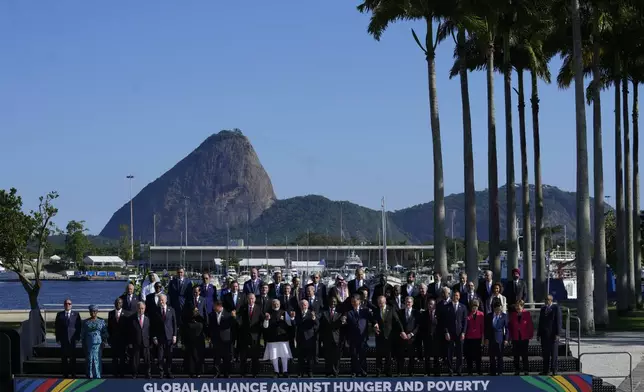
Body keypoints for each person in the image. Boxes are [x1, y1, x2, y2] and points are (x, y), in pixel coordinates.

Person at [263, 299, 293, 377]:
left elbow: (290, 324)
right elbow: (265, 326)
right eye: (274, 303)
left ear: (280, 304)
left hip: (283, 337)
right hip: (272, 338)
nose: (276, 305)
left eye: (277, 304)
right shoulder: (268, 313)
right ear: (272, 304)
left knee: (284, 355)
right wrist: (266, 319)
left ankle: (285, 371)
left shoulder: (284, 312)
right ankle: (276, 372)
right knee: (274, 355)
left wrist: (287, 320)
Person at [374, 295, 401, 377]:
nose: (380, 304)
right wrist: (375, 324)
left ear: (385, 302)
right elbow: (374, 319)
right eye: (379, 303)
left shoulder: (391, 309)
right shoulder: (376, 310)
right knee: (378, 355)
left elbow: (397, 321)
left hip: (389, 336)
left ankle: (388, 371)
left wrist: (402, 331)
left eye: (381, 303)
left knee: (388, 355)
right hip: (379, 336)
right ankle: (378, 371)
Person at [152, 294, 178, 378]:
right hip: (160, 338)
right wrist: (154, 336)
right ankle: (161, 373)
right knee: (160, 356)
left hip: (169, 337)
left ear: (166, 300)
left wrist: (175, 335)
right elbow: (153, 325)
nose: (161, 302)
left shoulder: (172, 310)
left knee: (169, 356)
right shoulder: (155, 311)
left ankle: (169, 372)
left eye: (162, 300)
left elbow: (174, 323)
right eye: (160, 300)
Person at [55, 298, 81, 378]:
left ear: (71, 305)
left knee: (73, 358)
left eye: (69, 304)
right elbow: (57, 327)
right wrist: (58, 339)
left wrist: (77, 338)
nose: (67, 305)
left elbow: (79, 327)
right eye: (66, 304)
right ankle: (65, 375)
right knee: (64, 358)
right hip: (63, 340)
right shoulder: (60, 314)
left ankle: (73, 374)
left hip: (72, 340)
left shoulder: (76, 314)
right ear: (64, 305)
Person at [209, 300, 236, 378]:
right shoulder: (212, 315)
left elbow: (232, 326)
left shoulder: (228, 314)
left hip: (226, 339)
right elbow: (211, 327)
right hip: (216, 339)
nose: (213, 308)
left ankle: (226, 373)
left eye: (215, 306)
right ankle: (217, 372)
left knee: (226, 357)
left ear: (219, 306)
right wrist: (211, 337)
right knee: (216, 357)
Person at [443, 290, 467, 376]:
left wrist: (463, 332)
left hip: (460, 333)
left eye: (457, 295)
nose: (455, 297)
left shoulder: (463, 307)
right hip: (450, 333)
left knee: (460, 352)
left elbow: (465, 321)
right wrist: (446, 332)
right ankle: (450, 370)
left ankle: (459, 370)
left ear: (459, 297)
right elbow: (444, 321)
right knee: (450, 353)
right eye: (454, 295)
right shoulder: (447, 307)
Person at [80, 305, 108, 379]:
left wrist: (104, 342)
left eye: (95, 311)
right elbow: (82, 333)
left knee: (97, 359)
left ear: (97, 312)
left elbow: (105, 333)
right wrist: (82, 343)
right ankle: (89, 375)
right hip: (88, 343)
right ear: (89, 312)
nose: (93, 313)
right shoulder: (85, 322)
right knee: (89, 359)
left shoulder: (101, 321)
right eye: (92, 311)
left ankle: (97, 375)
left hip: (98, 344)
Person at [238, 293, 262, 377]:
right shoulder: (243, 307)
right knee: (243, 356)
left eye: (252, 299)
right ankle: (243, 373)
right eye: (249, 299)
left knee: (255, 356)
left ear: (255, 299)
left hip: (255, 336)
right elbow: (239, 319)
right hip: (244, 336)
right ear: (247, 299)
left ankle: (254, 373)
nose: (251, 300)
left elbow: (261, 320)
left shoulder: (259, 308)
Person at [538, 295, 562, 375]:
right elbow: (540, 322)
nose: (546, 301)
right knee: (545, 354)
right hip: (544, 335)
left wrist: (558, 334)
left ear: (551, 300)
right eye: (545, 299)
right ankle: (546, 370)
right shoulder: (543, 309)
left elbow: (558, 322)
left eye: (548, 299)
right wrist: (539, 334)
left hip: (553, 335)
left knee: (554, 353)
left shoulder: (556, 308)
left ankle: (554, 370)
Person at [294, 299, 319, 377]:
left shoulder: (311, 313)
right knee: (300, 357)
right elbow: (294, 324)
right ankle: (300, 372)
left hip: (309, 338)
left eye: (305, 305)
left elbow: (317, 324)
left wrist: (314, 318)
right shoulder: (297, 313)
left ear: (307, 305)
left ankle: (310, 372)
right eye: (302, 305)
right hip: (300, 338)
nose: (303, 306)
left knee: (310, 358)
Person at [320, 297, 344, 377]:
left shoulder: (340, 313)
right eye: (331, 301)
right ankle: (328, 372)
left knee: (336, 357)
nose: (333, 303)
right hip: (327, 338)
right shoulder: (324, 312)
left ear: (336, 302)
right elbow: (322, 326)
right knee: (327, 357)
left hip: (337, 338)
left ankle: (335, 372)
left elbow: (342, 326)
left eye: (334, 302)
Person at [509, 300, 534, 375]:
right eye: (516, 306)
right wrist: (510, 336)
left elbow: (530, 325)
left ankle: (526, 369)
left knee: (524, 355)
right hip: (515, 337)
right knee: (516, 355)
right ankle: (517, 370)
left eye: (518, 306)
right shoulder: (513, 314)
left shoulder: (526, 313)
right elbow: (510, 326)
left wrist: (530, 335)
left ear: (522, 306)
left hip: (524, 337)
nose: (517, 307)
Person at [485, 299, 509, 376]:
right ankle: (492, 371)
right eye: (497, 309)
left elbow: (507, 328)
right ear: (494, 308)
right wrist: (486, 338)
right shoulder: (489, 316)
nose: (499, 310)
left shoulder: (504, 316)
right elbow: (487, 328)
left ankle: (500, 371)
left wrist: (506, 339)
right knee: (491, 357)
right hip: (491, 339)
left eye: (500, 309)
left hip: (500, 339)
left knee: (500, 356)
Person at [397, 296, 419, 376]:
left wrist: (412, 334)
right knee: (400, 356)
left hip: (412, 338)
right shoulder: (400, 312)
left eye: (409, 302)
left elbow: (418, 325)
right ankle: (400, 372)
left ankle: (411, 372)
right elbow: (397, 323)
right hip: (402, 337)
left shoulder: (416, 312)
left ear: (412, 303)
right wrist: (401, 332)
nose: (407, 303)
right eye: (406, 302)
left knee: (411, 356)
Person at [129, 302, 152, 379]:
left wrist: (150, 341)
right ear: (137, 308)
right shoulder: (132, 318)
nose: (141, 310)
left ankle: (148, 373)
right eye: (139, 308)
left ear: (145, 309)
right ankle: (135, 373)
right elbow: (130, 331)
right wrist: (130, 342)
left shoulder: (147, 319)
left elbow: (149, 331)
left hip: (146, 342)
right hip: (136, 342)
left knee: (147, 359)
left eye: (142, 308)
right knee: (135, 360)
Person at [107, 298, 128, 378]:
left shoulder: (126, 313)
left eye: (119, 303)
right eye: (116, 303)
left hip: (123, 341)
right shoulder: (111, 313)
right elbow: (109, 327)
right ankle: (115, 374)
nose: (118, 304)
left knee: (122, 358)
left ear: (122, 304)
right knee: (114, 358)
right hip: (114, 340)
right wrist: (109, 338)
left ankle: (122, 374)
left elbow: (128, 329)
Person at [182, 308, 205, 378]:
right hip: (191, 341)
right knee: (191, 357)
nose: (196, 312)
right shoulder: (188, 320)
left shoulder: (200, 320)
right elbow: (184, 332)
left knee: (197, 357)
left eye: (197, 311)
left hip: (198, 342)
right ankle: (192, 372)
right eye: (194, 311)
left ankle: (197, 372)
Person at [464, 299, 484, 375]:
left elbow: (482, 327)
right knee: (469, 355)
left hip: (478, 338)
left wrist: (482, 338)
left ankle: (479, 370)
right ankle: (470, 370)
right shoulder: (467, 314)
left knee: (478, 355)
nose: (475, 308)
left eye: (476, 306)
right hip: (469, 338)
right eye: (473, 306)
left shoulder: (481, 314)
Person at [423, 299, 440, 376]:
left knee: (436, 356)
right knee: (427, 356)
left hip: (436, 338)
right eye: (429, 304)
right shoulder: (424, 313)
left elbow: (441, 326)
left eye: (432, 304)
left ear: (435, 305)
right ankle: (427, 372)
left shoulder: (438, 314)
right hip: (427, 338)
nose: (430, 305)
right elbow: (421, 327)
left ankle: (437, 372)